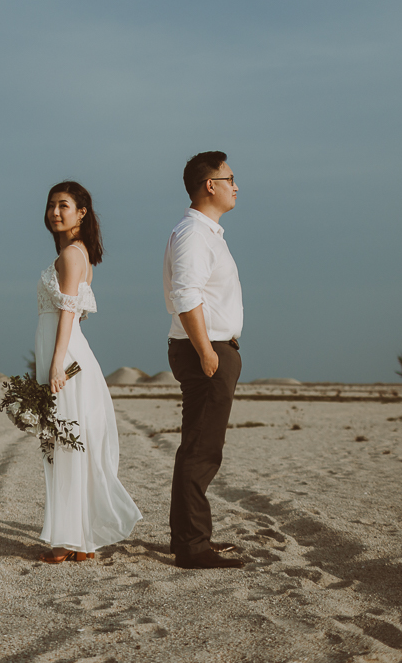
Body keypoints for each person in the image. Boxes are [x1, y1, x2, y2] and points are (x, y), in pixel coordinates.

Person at [35, 181, 142, 563]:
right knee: (70, 442)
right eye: (51, 205)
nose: (55, 212)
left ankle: (68, 541)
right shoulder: (78, 254)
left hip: (65, 359)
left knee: (65, 444)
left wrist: (55, 364)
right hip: (66, 352)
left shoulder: (71, 256)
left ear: (82, 212)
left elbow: (67, 313)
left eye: (64, 205)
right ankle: (82, 540)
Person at [163, 151, 246, 569]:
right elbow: (186, 294)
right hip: (205, 350)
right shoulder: (194, 234)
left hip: (211, 348)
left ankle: (189, 538)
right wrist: (207, 352)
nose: (237, 185)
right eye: (230, 177)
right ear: (209, 185)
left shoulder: (208, 233)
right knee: (201, 449)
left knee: (198, 446)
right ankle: (193, 546)